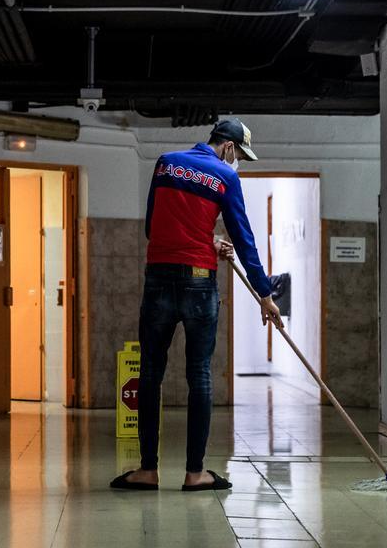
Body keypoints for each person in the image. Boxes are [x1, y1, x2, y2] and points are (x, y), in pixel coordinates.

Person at [110, 118, 282, 492]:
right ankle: (195, 473)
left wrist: (206, 242)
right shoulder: (225, 177)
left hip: (157, 278)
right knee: (199, 376)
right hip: (199, 283)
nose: (238, 163)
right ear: (230, 148)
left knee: (151, 375)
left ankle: (147, 471)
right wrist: (265, 295)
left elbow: (153, 230)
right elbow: (244, 239)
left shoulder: (166, 162)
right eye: (240, 157)